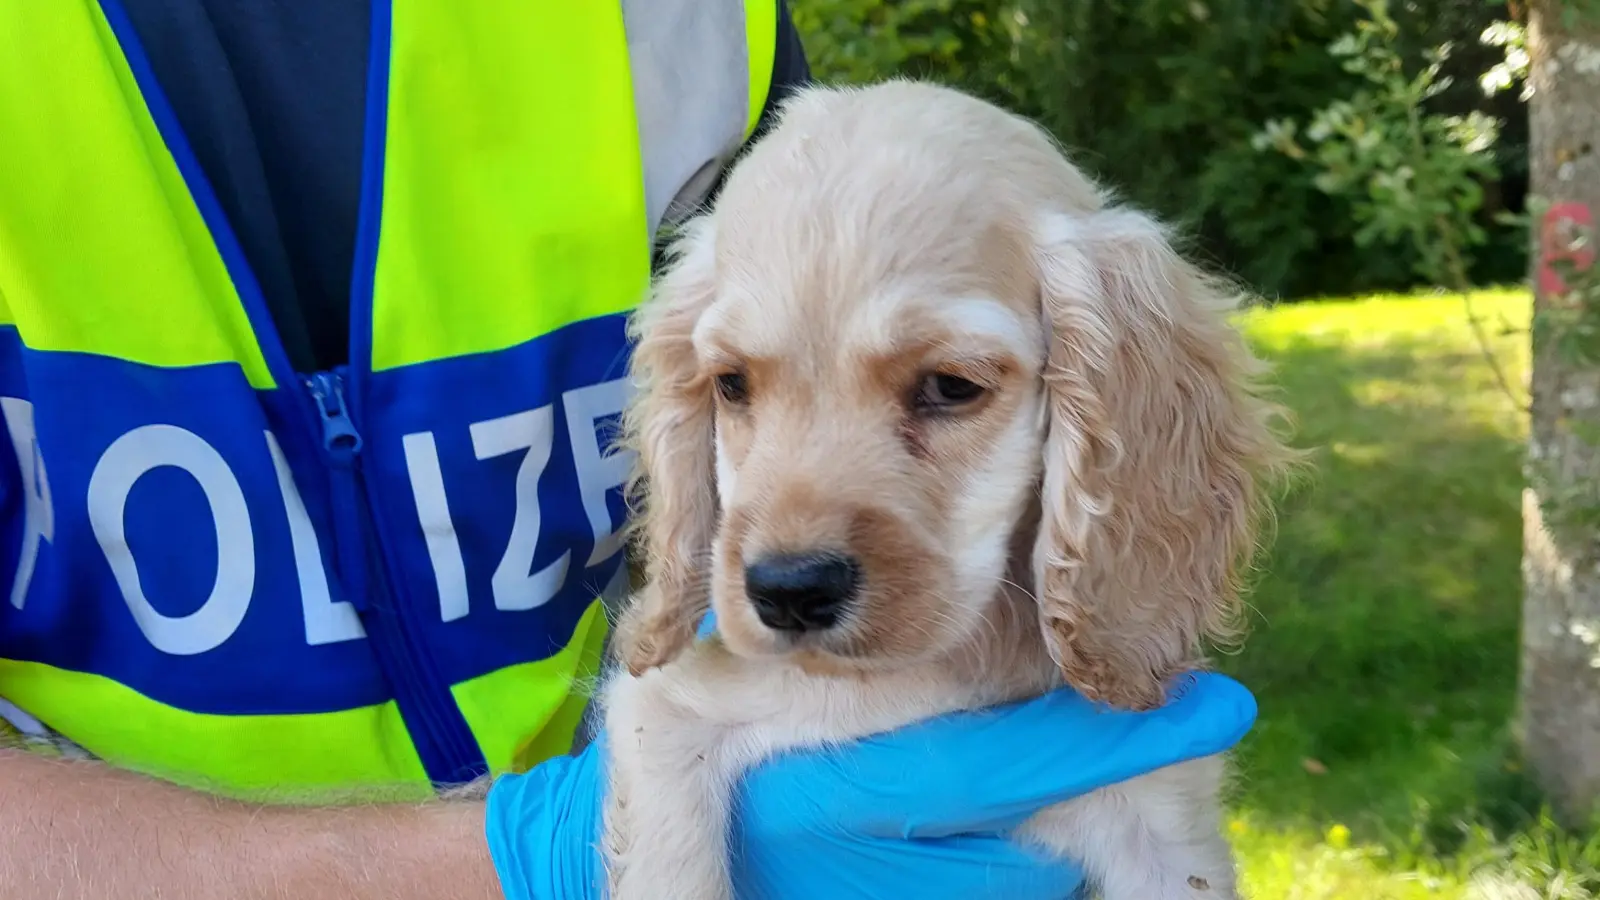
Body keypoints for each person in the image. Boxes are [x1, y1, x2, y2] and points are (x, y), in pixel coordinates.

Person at [0, 1, 1260, 897]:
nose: (798, 542)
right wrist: (526, 862)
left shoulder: (683, 28)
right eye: (734, 388)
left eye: (942, 387)